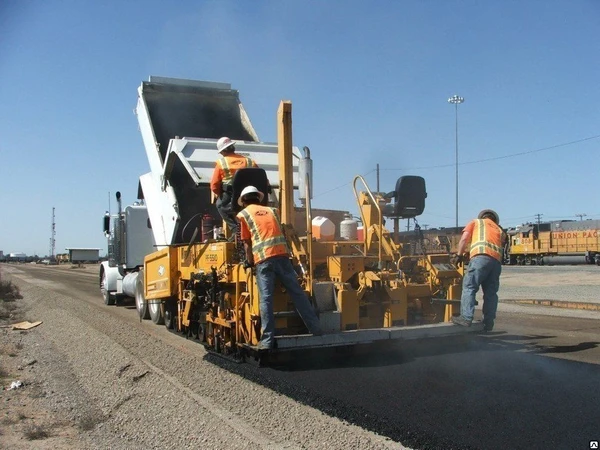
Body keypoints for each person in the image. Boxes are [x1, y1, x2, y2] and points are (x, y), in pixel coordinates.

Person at [236, 185, 322, 349]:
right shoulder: (273, 211)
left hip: (264, 260)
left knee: (266, 299)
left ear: (244, 201)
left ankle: (267, 340)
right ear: (258, 197)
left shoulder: (244, 215)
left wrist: (249, 262)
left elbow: (247, 244)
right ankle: (316, 329)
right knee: (297, 294)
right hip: (283, 257)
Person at [452, 209, 506, 332]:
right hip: (496, 263)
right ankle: (488, 323)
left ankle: (466, 317)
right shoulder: (499, 229)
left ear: (482, 217)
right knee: (491, 293)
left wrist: (459, 255)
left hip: (480, 258)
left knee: (469, 286)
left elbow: (464, 239)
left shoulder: (476, 222)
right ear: (494, 219)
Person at [210, 137, 258, 238]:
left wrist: (220, 195)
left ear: (223, 151)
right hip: (250, 196)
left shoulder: (221, 163)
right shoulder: (250, 161)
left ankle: (236, 231)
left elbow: (214, 185)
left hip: (231, 195)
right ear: (233, 147)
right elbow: (262, 178)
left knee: (220, 206)